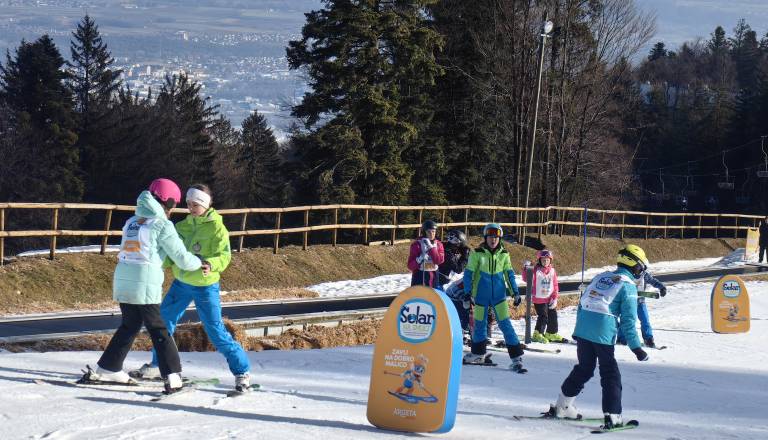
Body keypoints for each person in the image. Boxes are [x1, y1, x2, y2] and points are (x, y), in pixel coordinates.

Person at [82, 179, 203, 394]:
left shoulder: (133, 221)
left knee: (130, 325)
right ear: (168, 201)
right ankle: (173, 377)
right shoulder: (162, 224)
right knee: (158, 329)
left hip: (123, 279)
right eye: (174, 204)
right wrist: (199, 262)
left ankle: (109, 367)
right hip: (144, 282)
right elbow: (182, 258)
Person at [132, 184, 252, 392]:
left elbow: (224, 256)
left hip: (206, 286)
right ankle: (157, 364)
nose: (190, 207)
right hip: (182, 283)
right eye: (188, 203)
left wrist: (211, 263)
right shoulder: (181, 227)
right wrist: (152, 260)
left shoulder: (217, 229)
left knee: (215, 330)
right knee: (162, 323)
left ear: (205, 205)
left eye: (195, 204)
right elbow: (170, 254)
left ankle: (242, 371)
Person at [546, 244, 650, 430]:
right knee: (610, 373)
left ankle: (562, 406)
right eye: (640, 268)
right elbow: (628, 322)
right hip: (602, 330)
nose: (640, 272)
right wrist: (636, 348)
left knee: (584, 369)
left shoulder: (600, 276)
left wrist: (579, 330)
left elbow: (582, 302)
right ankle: (613, 416)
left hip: (584, 327)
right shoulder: (628, 287)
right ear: (635, 266)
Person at [461, 223, 526, 373]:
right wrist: (467, 292)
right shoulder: (477, 253)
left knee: (505, 325)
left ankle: (516, 358)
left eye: (496, 237)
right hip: (480, 296)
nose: (493, 240)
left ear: (499, 238)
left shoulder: (504, 254)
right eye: (490, 237)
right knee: (479, 325)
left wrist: (515, 292)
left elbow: (509, 275)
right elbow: (469, 274)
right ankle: (478, 353)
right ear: (486, 238)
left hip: (499, 297)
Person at [617, 270, 667, 348]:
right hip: (628, 302)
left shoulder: (644, 274)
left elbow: (653, 281)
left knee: (645, 320)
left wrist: (662, 287)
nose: (638, 270)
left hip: (640, 302)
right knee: (626, 320)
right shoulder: (626, 274)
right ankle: (621, 338)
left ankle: (648, 339)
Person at [522, 249, 562, 344]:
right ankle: (538, 333)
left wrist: (555, 297)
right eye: (543, 260)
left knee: (553, 315)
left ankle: (551, 333)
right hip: (539, 299)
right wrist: (526, 269)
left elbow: (555, 285)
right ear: (540, 260)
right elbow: (526, 279)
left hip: (550, 298)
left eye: (547, 260)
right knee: (543, 316)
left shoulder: (552, 271)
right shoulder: (536, 270)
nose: (546, 262)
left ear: (550, 261)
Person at [407, 220, 445, 288]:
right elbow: (410, 266)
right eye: (429, 232)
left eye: (433, 231)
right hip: (419, 276)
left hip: (434, 276)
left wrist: (431, 248)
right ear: (424, 232)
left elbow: (438, 261)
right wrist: (419, 259)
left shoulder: (439, 244)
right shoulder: (416, 245)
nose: (431, 234)